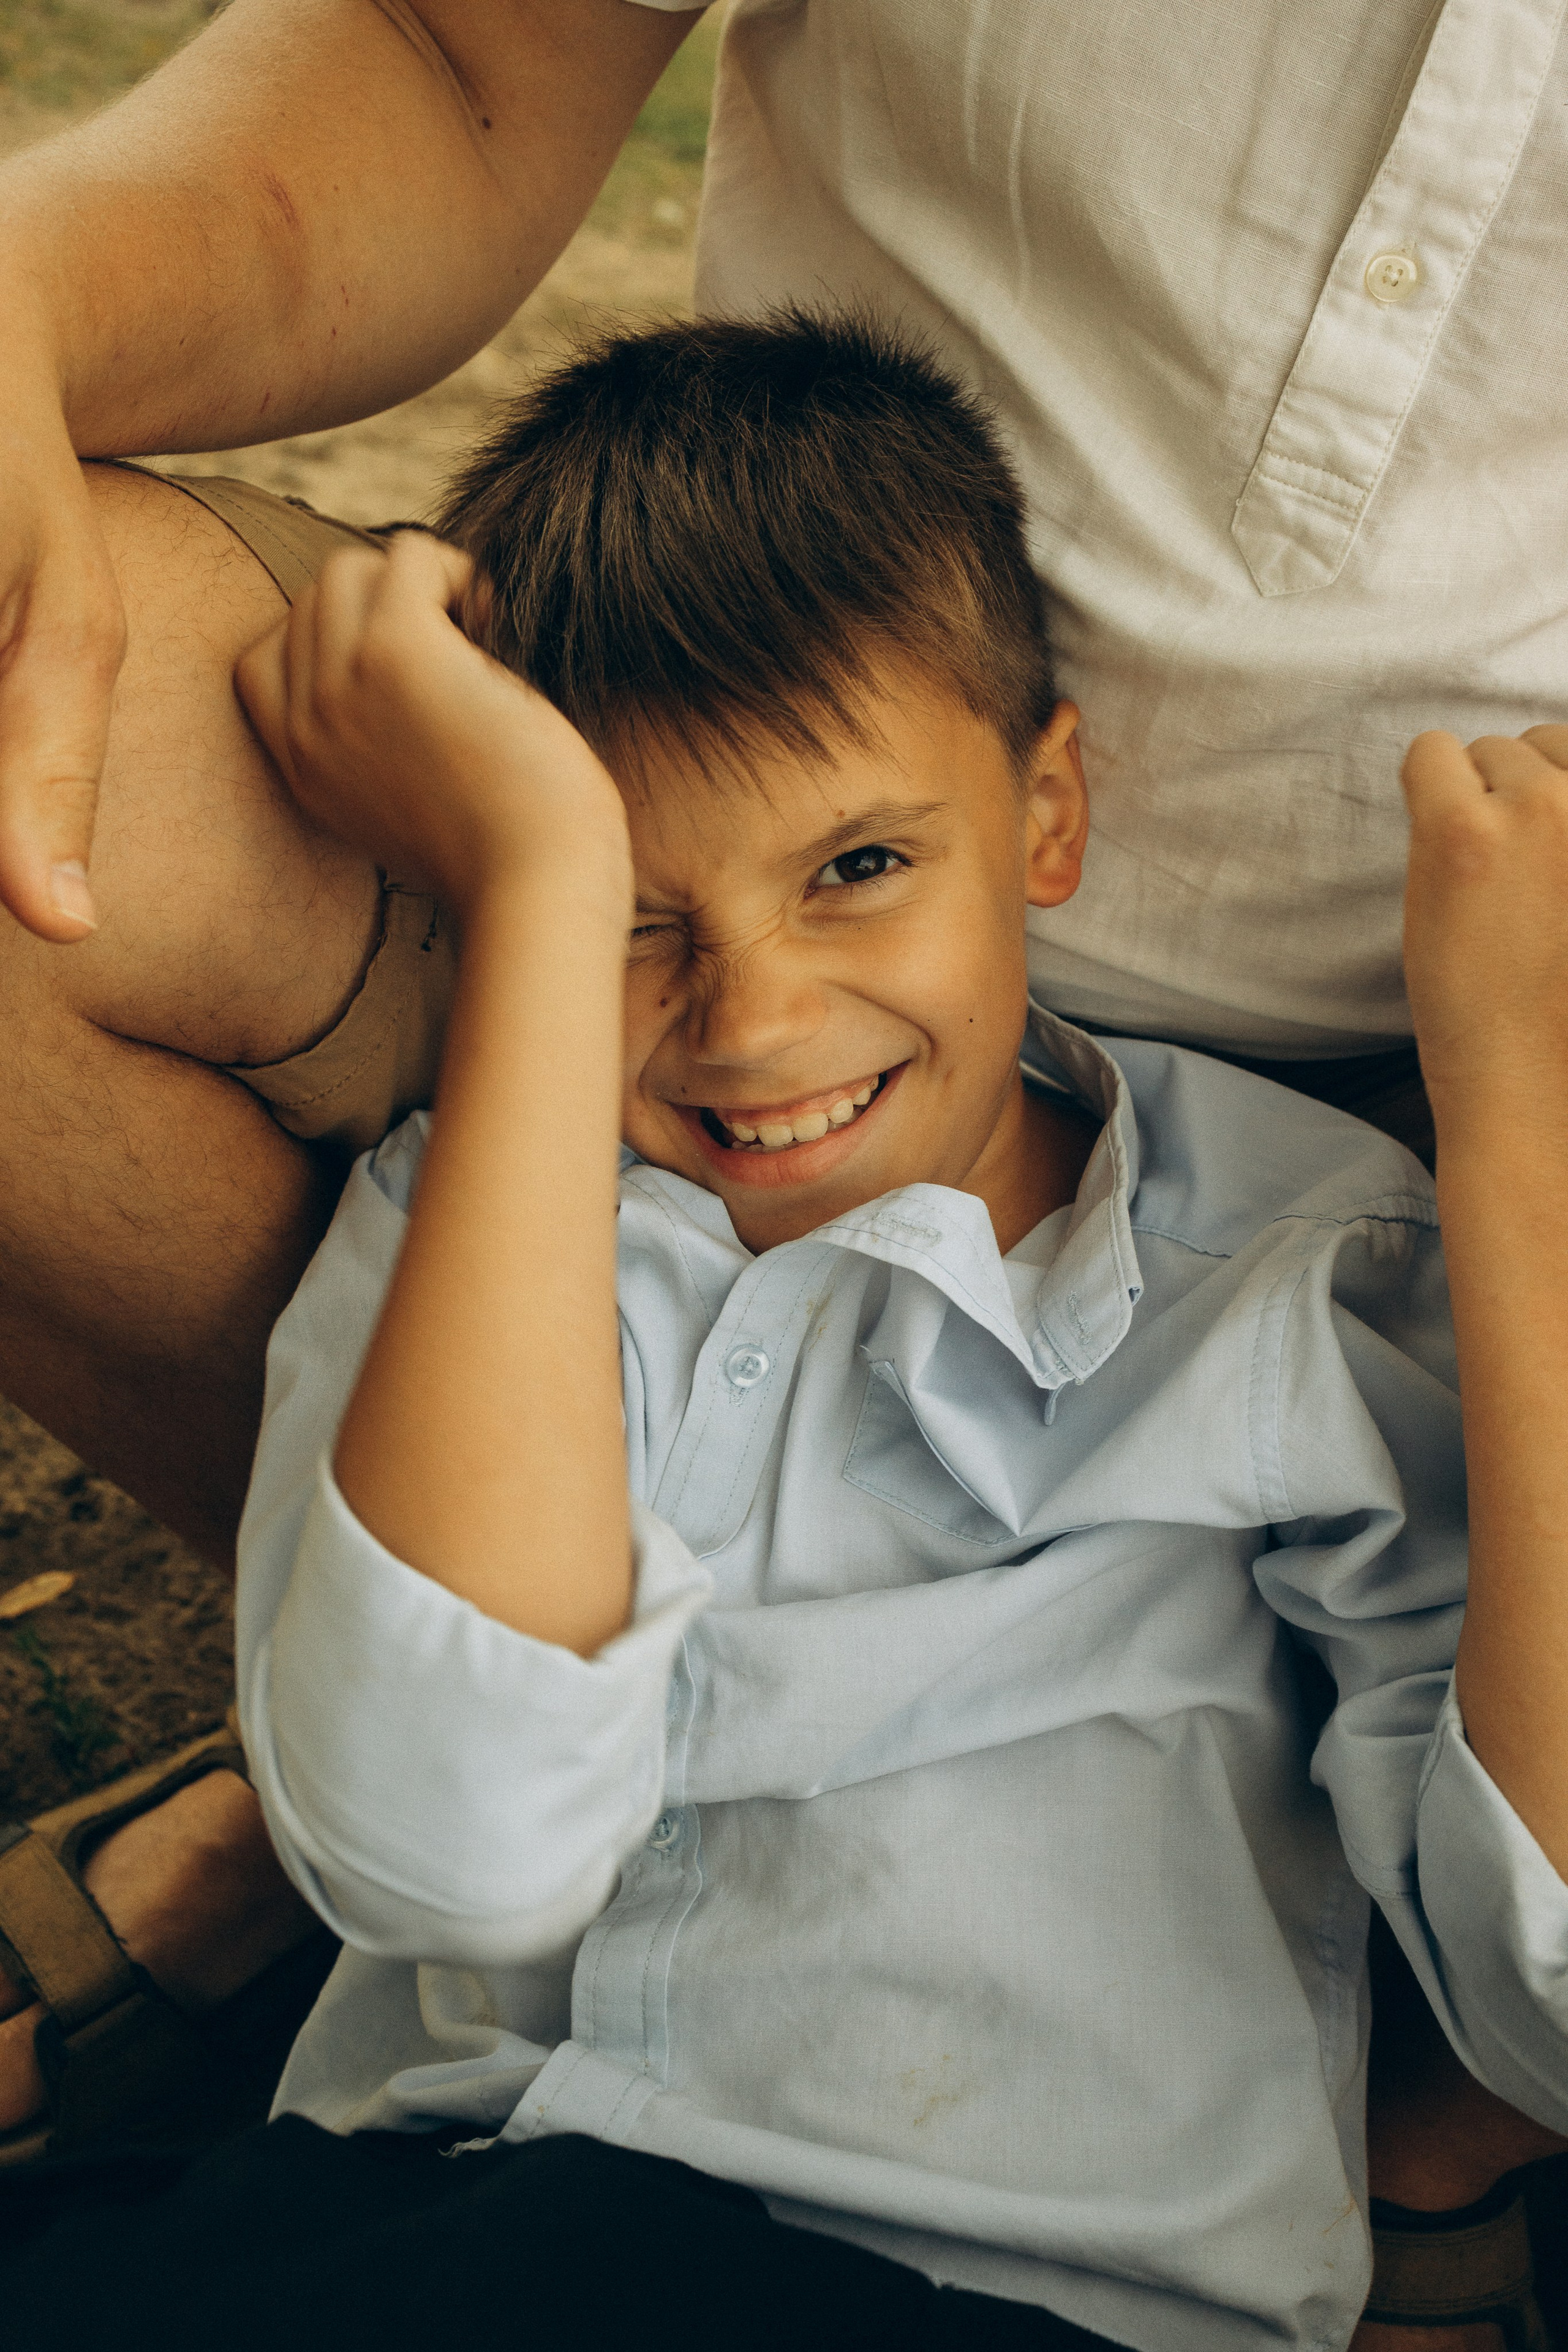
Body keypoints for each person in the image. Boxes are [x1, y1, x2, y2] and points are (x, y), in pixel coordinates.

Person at [7, 311, 1567, 2352]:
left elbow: (1540, 2006)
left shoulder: (1296, 1274)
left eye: (860, 867)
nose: (750, 1021)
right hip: (403, 2232)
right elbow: (443, 1857)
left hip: (1011, 2301)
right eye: (633, 914)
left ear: (1049, 813)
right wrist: (534, 880)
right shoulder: (476, 1226)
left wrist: (1515, 1117)